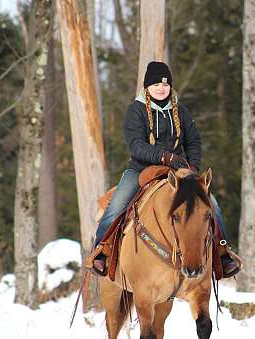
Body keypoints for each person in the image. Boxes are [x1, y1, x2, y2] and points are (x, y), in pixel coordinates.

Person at [85, 61, 240, 278]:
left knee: (211, 205)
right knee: (117, 205)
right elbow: (136, 145)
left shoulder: (180, 110)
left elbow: (194, 141)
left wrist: (192, 168)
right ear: (147, 86)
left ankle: (222, 254)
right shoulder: (136, 110)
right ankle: (101, 252)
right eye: (156, 84)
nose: (161, 88)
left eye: (165, 85)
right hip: (141, 169)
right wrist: (165, 157)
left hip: (180, 173)